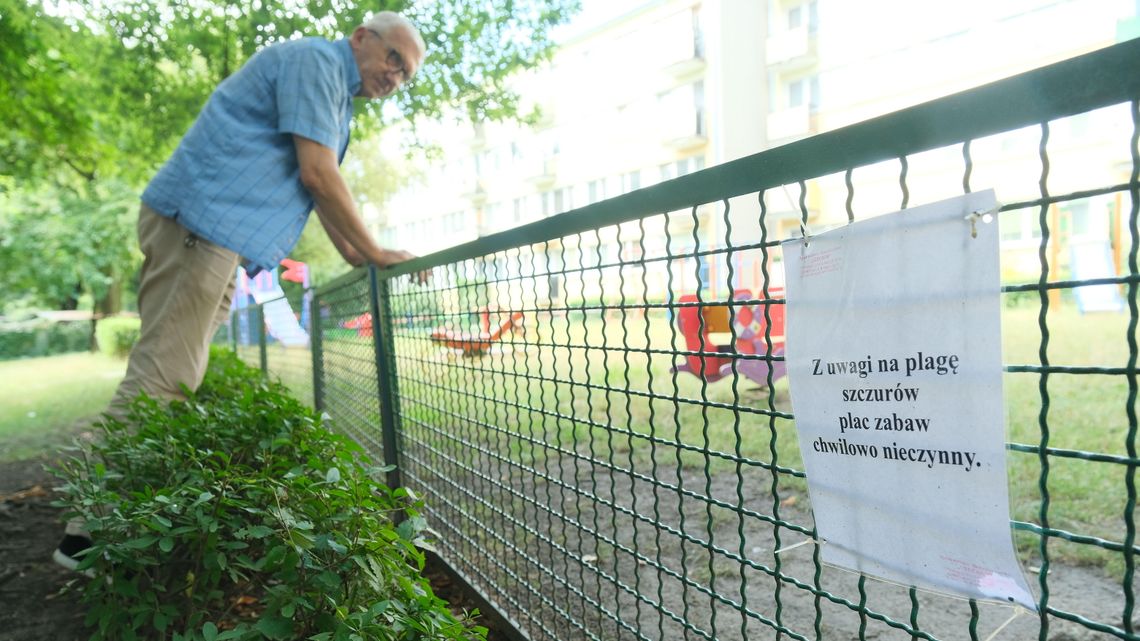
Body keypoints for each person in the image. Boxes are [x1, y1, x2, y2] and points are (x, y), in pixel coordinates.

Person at [53, 11, 427, 573]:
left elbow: (315, 181)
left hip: (209, 235)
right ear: (361, 38)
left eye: (407, 75)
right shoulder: (317, 64)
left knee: (173, 375)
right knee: (163, 378)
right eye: (394, 58)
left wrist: (353, 253)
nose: (396, 76)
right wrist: (375, 251)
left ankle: (120, 524)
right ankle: (87, 536)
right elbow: (318, 175)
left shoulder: (329, 85)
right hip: (201, 230)